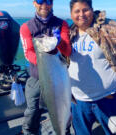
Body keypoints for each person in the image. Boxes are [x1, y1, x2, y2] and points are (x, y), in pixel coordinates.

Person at [68, 0, 116, 135]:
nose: (81, 14)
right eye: (77, 11)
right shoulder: (69, 33)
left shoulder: (110, 28)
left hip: (108, 97)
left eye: (85, 10)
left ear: (92, 10)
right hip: (79, 100)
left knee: (113, 132)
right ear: (71, 14)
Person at [20, 0, 71, 134]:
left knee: (63, 106)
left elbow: (67, 51)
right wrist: (45, 59)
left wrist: (59, 43)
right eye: (40, 1)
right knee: (32, 110)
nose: (44, 4)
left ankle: (63, 131)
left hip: (60, 77)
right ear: (34, 3)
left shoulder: (62, 24)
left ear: (52, 4)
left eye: (48, 1)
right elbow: (28, 52)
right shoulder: (26, 27)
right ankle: (28, 132)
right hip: (36, 77)